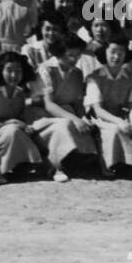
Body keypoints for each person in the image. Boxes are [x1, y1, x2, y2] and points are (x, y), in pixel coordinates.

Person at [27, 33, 100, 182]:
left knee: (87, 128)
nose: (74, 59)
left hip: (67, 114)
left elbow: (77, 104)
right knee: (65, 124)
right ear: (59, 53)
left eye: (77, 55)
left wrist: (83, 119)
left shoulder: (77, 73)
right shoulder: (45, 69)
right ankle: (55, 165)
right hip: (42, 116)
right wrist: (75, 120)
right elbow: (49, 104)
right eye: (70, 55)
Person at [0, 52, 45, 185]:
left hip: (11, 137)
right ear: (0, 71)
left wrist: (26, 128)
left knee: (29, 131)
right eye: (9, 70)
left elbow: (21, 122)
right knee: (13, 130)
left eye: (18, 71)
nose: (14, 75)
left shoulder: (19, 93)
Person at [85, 35, 132, 176]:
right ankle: (109, 166)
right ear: (105, 53)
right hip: (99, 118)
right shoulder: (94, 77)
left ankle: (129, 166)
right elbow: (97, 109)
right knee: (114, 130)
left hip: (121, 115)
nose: (116, 57)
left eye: (121, 53)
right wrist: (119, 122)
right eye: (112, 52)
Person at [23, 10, 66, 74]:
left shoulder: (65, 51)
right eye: (47, 29)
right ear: (41, 29)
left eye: (55, 29)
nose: (51, 33)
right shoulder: (30, 50)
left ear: (60, 31)